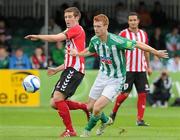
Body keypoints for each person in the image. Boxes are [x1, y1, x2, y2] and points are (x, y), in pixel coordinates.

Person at [68, 14, 168, 137]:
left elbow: (137, 44)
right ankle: (106, 121)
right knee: (90, 107)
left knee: (97, 108)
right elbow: (90, 50)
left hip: (116, 79)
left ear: (106, 26)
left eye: (99, 26)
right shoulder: (94, 40)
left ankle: (87, 131)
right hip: (102, 75)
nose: (96, 29)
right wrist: (77, 53)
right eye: (95, 26)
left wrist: (155, 51)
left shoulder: (116, 40)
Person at [25, 7, 90, 137]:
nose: (67, 19)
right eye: (66, 17)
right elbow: (69, 60)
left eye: (70, 16)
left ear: (77, 17)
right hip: (69, 69)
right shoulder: (70, 31)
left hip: (75, 70)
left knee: (58, 98)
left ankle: (70, 130)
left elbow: (56, 38)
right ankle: (84, 107)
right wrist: (56, 69)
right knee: (54, 103)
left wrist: (38, 36)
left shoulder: (76, 29)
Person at [110, 12, 152, 126]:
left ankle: (140, 119)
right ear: (128, 22)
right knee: (124, 94)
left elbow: (146, 51)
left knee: (143, 94)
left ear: (138, 21)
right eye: (131, 20)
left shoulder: (144, 34)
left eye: (135, 20)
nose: (133, 22)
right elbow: (117, 50)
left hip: (141, 69)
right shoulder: (123, 34)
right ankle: (113, 113)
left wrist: (148, 66)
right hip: (128, 69)